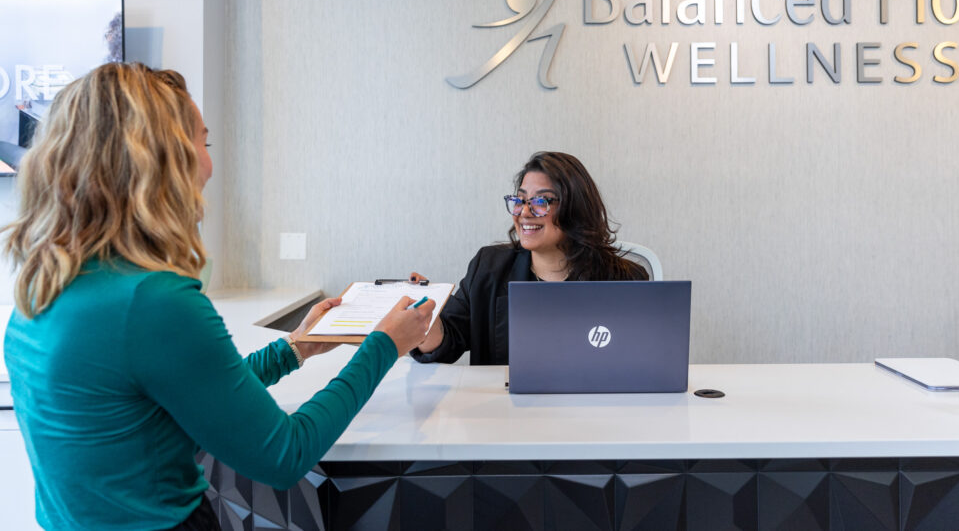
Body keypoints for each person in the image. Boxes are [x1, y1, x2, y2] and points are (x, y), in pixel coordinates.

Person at [2, 62, 435, 531]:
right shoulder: (154, 301)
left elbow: (190, 396)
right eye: (202, 143)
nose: (209, 164)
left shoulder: (44, 285)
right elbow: (284, 455)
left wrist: (297, 347)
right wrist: (384, 346)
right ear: (159, 157)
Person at [410, 150, 647, 366]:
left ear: (575, 209)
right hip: (508, 409)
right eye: (520, 200)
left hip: (594, 408)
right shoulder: (489, 267)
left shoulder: (626, 279)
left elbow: (640, 360)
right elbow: (447, 344)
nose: (524, 213)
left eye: (541, 202)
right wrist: (426, 319)